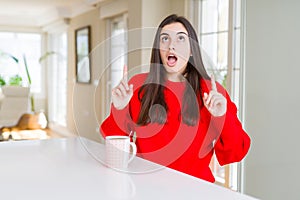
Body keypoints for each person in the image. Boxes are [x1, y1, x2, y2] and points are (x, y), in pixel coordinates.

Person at [100, 14, 251, 183]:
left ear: (192, 49)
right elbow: (115, 153)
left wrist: (222, 116)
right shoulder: (138, 86)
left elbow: (236, 152)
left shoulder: (211, 91)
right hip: (146, 188)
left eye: (180, 39)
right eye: (165, 39)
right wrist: (119, 109)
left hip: (195, 191)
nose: (171, 45)